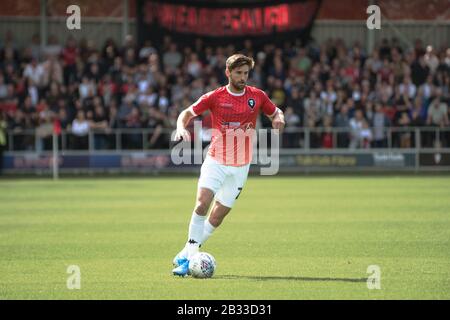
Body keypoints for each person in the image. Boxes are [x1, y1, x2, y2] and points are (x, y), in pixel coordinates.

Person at [171, 54, 285, 276]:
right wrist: (181, 127)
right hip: (215, 160)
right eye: (239, 73)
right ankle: (191, 259)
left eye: (246, 73)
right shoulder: (215, 97)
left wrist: (279, 119)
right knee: (202, 205)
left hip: (241, 167)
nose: (243, 77)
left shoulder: (257, 96)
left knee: (217, 216)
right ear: (228, 73)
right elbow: (187, 113)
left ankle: (185, 253)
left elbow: (275, 112)